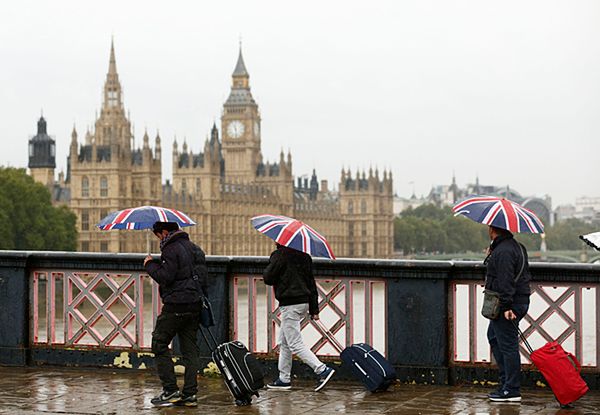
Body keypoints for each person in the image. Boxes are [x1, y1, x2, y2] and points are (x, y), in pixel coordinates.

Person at [144, 221, 207, 408]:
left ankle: (170, 390)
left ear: (164, 232)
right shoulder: (196, 249)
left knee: (159, 342)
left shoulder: (171, 249)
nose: (158, 239)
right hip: (195, 305)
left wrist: (150, 265)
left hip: (176, 305)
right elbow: (204, 280)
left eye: (158, 235)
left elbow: (165, 277)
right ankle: (190, 395)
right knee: (190, 350)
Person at [263, 243, 335, 392]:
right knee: (284, 343)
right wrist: (314, 309)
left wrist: (274, 260)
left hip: (290, 304)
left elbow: (268, 278)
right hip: (304, 303)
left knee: (295, 344)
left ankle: (322, 369)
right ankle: (284, 379)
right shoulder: (305, 256)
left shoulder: (280, 255)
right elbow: (311, 284)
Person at [485, 225, 531, 403]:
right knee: (494, 337)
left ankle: (511, 389)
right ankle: (506, 384)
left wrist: (506, 307)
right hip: (515, 301)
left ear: (492, 229)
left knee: (508, 345)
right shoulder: (515, 246)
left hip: (507, 305)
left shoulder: (503, 251)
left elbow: (505, 281)